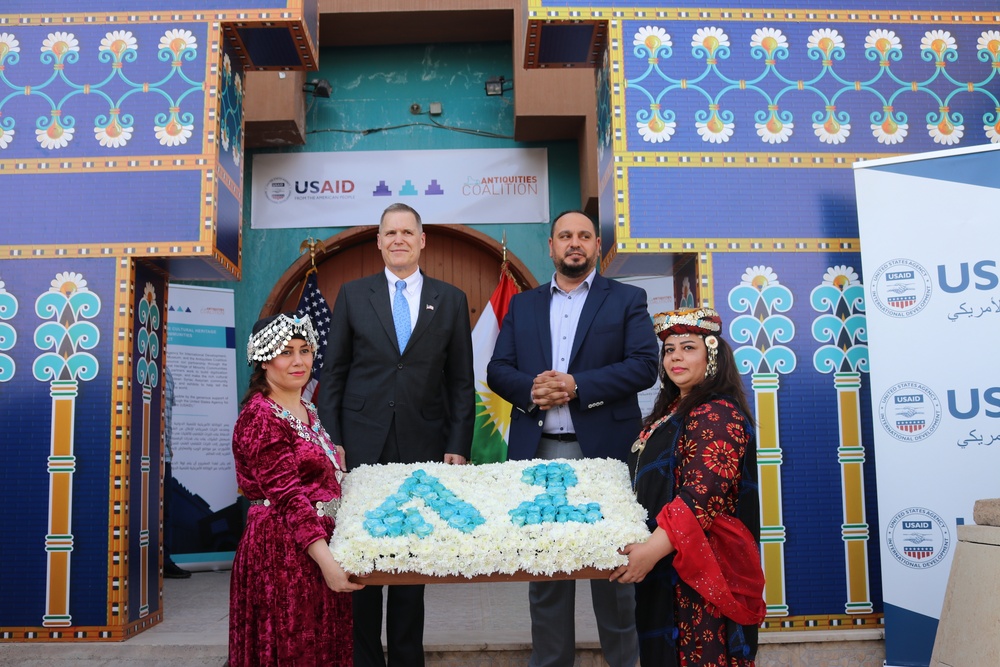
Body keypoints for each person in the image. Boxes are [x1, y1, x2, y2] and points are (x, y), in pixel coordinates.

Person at [487, 209, 658, 667]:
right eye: (566, 236)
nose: (575, 243)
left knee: (614, 574)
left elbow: (645, 365)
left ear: (597, 247)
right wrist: (531, 389)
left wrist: (577, 385)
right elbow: (497, 369)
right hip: (537, 455)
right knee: (546, 577)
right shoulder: (523, 305)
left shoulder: (626, 299)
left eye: (585, 236)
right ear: (551, 246)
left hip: (604, 456)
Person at [318, 202, 475, 667]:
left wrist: (457, 445)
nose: (399, 239)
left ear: (423, 240)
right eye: (390, 233)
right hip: (360, 447)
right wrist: (332, 441)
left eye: (408, 232)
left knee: (411, 562)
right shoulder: (352, 294)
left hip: (424, 445)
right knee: (364, 561)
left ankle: (408, 660)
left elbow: (461, 383)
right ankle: (364, 660)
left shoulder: (449, 299)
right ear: (380, 242)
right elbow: (334, 374)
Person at [610, 307, 766, 666]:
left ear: (712, 354)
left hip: (701, 569)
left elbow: (701, 497)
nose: (676, 356)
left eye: (688, 347)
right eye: (669, 349)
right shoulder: (671, 413)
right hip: (666, 562)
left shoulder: (717, 412)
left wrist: (650, 552)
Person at [229, 313, 361, 667]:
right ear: (263, 360)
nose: (299, 361)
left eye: (304, 350)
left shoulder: (306, 408)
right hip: (281, 556)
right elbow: (288, 497)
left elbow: (317, 480)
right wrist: (328, 564)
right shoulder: (260, 416)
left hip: (316, 550)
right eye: (285, 352)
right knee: (293, 651)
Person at [162, 366, 191, 579]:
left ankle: (163, 561)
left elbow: (166, 417)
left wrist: (168, 445)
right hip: (137, 456)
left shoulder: (167, 372)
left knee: (165, 511)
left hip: (164, 456)